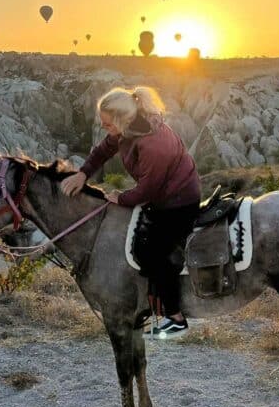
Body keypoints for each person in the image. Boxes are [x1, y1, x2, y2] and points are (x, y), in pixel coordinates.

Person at [60, 86, 201, 338]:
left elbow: (148, 189)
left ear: (121, 119)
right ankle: (149, 307)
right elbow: (103, 150)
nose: (104, 128)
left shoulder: (153, 144)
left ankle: (175, 318)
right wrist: (83, 173)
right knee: (137, 242)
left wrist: (120, 197)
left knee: (154, 252)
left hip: (179, 200)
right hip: (163, 194)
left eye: (106, 124)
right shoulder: (127, 128)